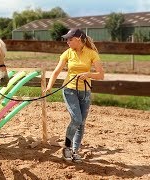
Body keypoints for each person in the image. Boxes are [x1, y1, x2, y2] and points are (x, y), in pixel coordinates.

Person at [43, 28, 104, 162]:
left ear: (79, 39)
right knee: (76, 119)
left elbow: (101, 75)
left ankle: (75, 151)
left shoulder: (92, 54)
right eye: (67, 40)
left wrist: (88, 74)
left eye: (70, 39)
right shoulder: (67, 53)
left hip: (85, 92)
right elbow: (56, 71)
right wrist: (49, 86)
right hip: (69, 89)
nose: (67, 42)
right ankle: (67, 148)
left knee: (81, 123)